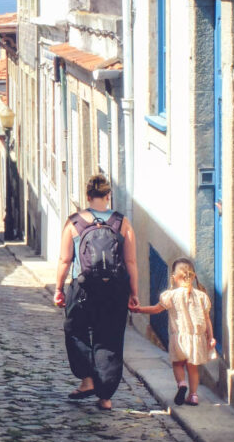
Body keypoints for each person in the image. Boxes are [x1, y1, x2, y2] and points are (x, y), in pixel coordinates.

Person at [54, 173, 139, 410]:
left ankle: (87, 380)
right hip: (114, 289)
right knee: (109, 338)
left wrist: (59, 289)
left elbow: (64, 259)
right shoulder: (122, 222)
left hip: (82, 287)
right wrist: (134, 292)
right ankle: (105, 397)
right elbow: (131, 261)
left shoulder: (74, 223)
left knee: (76, 331)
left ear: (88, 196)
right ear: (108, 196)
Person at [131, 257, 216, 406]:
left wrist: (139, 309)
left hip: (178, 339)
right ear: (193, 275)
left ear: (174, 278)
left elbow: (156, 309)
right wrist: (211, 337)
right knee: (193, 367)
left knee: (178, 364)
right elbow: (207, 319)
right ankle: (193, 395)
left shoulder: (171, 295)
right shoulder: (202, 296)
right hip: (196, 339)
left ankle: (182, 384)